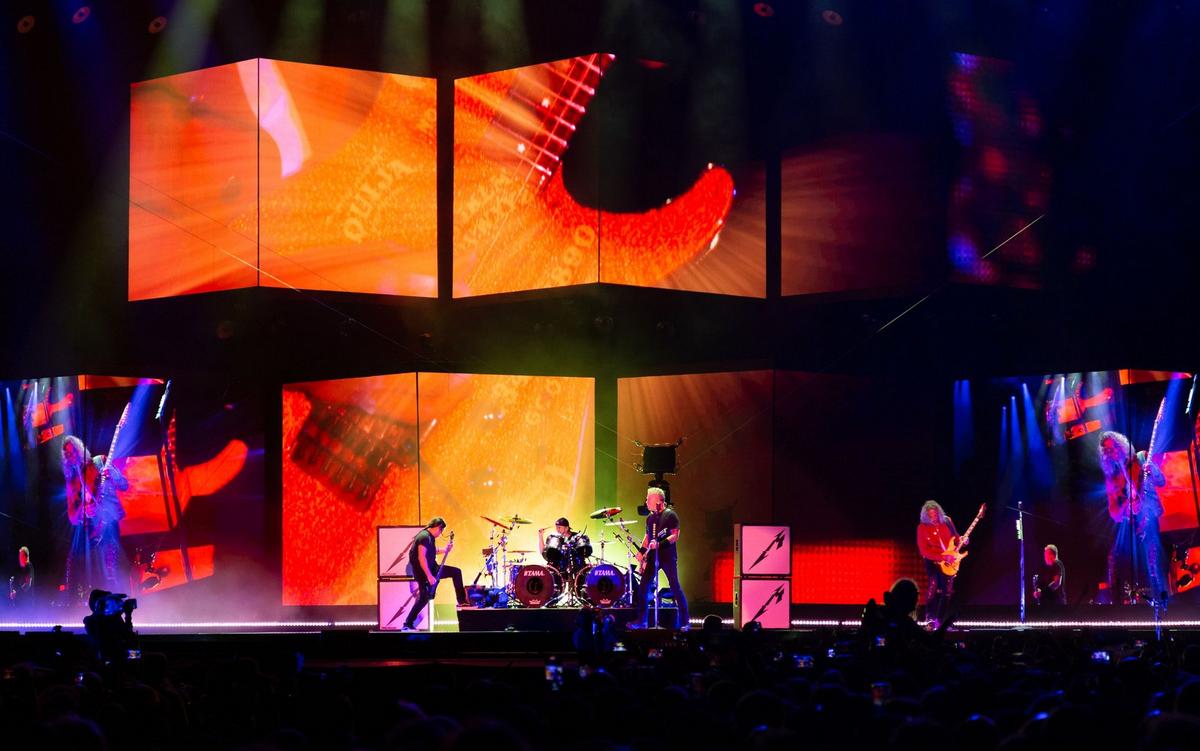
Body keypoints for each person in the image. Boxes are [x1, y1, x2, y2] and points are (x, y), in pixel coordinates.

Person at [1099, 430, 1167, 603]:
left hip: (1155, 521)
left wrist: (1153, 471)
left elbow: (1161, 482)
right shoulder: (1112, 479)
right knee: (1144, 574)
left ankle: (1170, 607)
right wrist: (1127, 506)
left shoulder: (1141, 458)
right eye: (1108, 451)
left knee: (1161, 568)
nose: (1113, 452)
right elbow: (1114, 513)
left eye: (1115, 446)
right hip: (1136, 531)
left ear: (1122, 445)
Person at [62, 434, 128, 598]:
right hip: (92, 538)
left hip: (111, 526)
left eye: (73, 451)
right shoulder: (72, 482)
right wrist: (83, 509)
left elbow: (124, 485)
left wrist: (113, 474)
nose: (72, 456)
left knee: (116, 573)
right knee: (98, 582)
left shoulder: (99, 462)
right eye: (67, 454)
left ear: (80, 449)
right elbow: (72, 518)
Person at [628, 487, 689, 631]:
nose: (646, 501)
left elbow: (675, 536)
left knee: (675, 586)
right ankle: (642, 621)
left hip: (668, 557)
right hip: (653, 557)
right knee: (643, 587)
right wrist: (642, 552)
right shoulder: (650, 518)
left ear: (657, 500)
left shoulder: (670, 515)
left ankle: (685, 622)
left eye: (648, 499)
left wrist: (659, 544)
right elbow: (647, 537)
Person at [403, 517, 468, 630]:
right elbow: (421, 557)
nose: (440, 534)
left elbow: (432, 551)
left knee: (456, 572)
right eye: (441, 531)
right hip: (423, 573)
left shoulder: (429, 537)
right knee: (424, 597)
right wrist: (429, 576)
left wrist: (445, 550)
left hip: (433, 568)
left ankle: (461, 601)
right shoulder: (424, 537)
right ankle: (407, 624)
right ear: (438, 527)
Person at [916, 500, 966, 629]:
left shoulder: (947, 521)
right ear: (925, 516)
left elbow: (956, 538)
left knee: (947, 591)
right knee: (933, 586)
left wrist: (963, 540)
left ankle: (940, 620)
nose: (934, 518)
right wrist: (942, 557)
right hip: (933, 560)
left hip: (949, 561)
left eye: (935, 514)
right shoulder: (922, 528)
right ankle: (930, 618)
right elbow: (924, 551)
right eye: (930, 515)